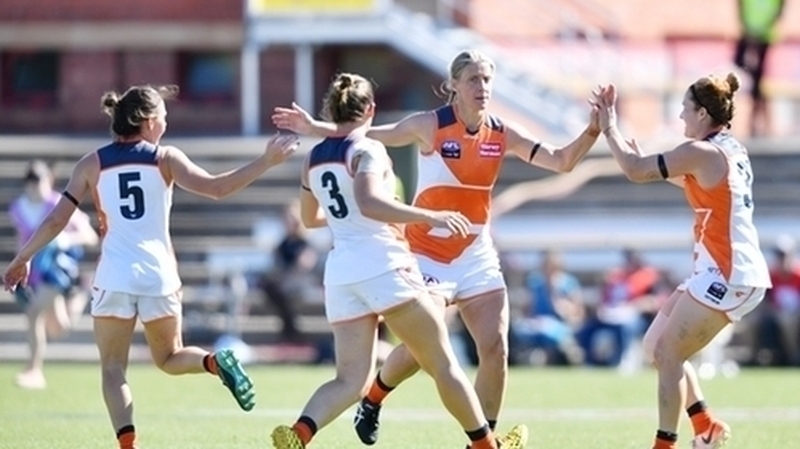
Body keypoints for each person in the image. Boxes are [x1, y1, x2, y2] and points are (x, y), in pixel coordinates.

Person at [272, 49, 601, 443]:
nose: (483, 87)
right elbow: (366, 133)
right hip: (426, 250)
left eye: (487, 79)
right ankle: (374, 399)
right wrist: (317, 127)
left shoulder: (503, 132)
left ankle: (482, 439)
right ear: (454, 86)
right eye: (474, 80)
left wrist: (594, 130)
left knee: (495, 347)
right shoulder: (429, 125)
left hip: (476, 252)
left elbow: (562, 161)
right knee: (421, 349)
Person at [2, 84, 299, 449]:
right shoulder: (166, 158)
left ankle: (128, 446)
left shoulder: (91, 163)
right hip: (158, 274)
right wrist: (266, 161)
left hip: (114, 277)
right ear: (146, 120)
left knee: (113, 368)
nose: (167, 121)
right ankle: (214, 362)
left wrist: (23, 258)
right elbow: (218, 188)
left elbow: (55, 220)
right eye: (163, 115)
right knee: (170, 357)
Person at [592, 74, 771, 449]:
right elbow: (691, 180)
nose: (680, 116)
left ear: (703, 113)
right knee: (655, 344)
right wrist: (641, 157)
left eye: (686, 109)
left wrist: (609, 128)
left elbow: (636, 171)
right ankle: (706, 425)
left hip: (730, 272)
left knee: (670, 353)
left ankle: (665, 444)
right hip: (719, 269)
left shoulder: (701, 152)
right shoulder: (728, 149)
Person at [9, 159, 99, 389]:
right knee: (58, 328)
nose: (33, 185)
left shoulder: (58, 203)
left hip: (59, 269)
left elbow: (90, 236)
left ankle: (33, 370)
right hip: (37, 273)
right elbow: (22, 241)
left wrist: (66, 238)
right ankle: (82, 294)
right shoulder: (18, 208)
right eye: (29, 180)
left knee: (33, 313)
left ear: (48, 180)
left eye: (37, 179)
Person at [578, 248, 665, 368]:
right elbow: (605, 298)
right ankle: (590, 363)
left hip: (638, 317)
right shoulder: (617, 276)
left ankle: (619, 361)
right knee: (586, 330)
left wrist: (639, 305)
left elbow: (656, 301)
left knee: (625, 329)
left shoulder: (649, 278)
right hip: (611, 315)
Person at [259, 200, 320, 343]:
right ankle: (290, 329)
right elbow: (277, 265)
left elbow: (306, 265)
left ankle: (290, 330)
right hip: (286, 283)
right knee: (271, 288)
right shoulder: (283, 244)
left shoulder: (306, 242)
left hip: (303, 283)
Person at [510, 249, 584, 366]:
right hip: (536, 323)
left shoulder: (568, 283)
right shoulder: (535, 282)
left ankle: (551, 356)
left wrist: (564, 307)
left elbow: (578, 313)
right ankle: (533, 357)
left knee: (551, 332)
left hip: (558, 323)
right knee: (520, 329)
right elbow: (527, 309)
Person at [733, 0, 785, 137]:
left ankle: (757, 118)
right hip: (748, 34)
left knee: (757, 79)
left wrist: (758, 31)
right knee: (743, 68)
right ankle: (758, 115)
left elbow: (778, 11)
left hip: (763, 36)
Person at [764, 234, 800, 365]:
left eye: (784, 255)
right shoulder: (772, 276)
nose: (782, 259)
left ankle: (793, 356)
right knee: (752, 322)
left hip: (796, 313)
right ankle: (755, 356)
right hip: (778, 313)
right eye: (779, 255)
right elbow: (767, 300)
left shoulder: (798, 275)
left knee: (788, 321)